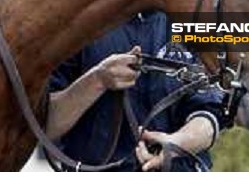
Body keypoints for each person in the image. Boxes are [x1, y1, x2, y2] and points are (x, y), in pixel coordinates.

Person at [46, 11, 231, 171]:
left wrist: (177, 143)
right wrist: (97, 79)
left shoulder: (192, 20)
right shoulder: (76, 22)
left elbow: (210, 116)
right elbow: (47, 125)